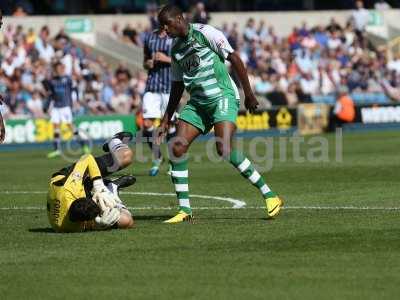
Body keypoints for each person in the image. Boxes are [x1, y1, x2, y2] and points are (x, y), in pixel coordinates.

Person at [156, 5, 283, 223]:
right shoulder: (175, 49)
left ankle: (270, 196)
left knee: (223, 148)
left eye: (166, 25)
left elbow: (235, 59)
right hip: (198, 103)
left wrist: (249, 94)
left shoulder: (206, 33)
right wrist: (167, 118)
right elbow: (177, 85)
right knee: (177, 146)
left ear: (178, 19)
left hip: (222, 96)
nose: (164, 31)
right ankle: (185, 210)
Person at [47, 132, 135, 233]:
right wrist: (102, 224)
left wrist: (98, 186)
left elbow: (87, 157)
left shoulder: (71, 187)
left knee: (126, 156)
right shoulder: (70, 227)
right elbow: (129, 222)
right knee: (126, 221)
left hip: (74, 179)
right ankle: (112, 189)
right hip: (77, 199)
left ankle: (113, 141)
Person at [142, 27, 175, 176]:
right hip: (152, 86)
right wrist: (148, 63)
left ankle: (174, 161)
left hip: (170, 87)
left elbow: (183, 61)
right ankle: (158, 157)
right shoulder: (150, 37)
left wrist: (166, 59)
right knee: (146, 125)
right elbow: (144, 61)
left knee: (170, 125)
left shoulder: (175, 37)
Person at [43, 62, 89, 158]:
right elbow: (51, 95)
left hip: (65, 107)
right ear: (56, 70)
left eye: (62, 68)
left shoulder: (68, 79)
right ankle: (57, 150)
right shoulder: (52, 81)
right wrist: (46, 106)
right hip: (56, 107)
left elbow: (74, 89)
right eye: (59, 68)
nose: (61, 70)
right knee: (55, 128)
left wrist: (75, 100)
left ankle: (84, 145)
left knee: (70, 126)